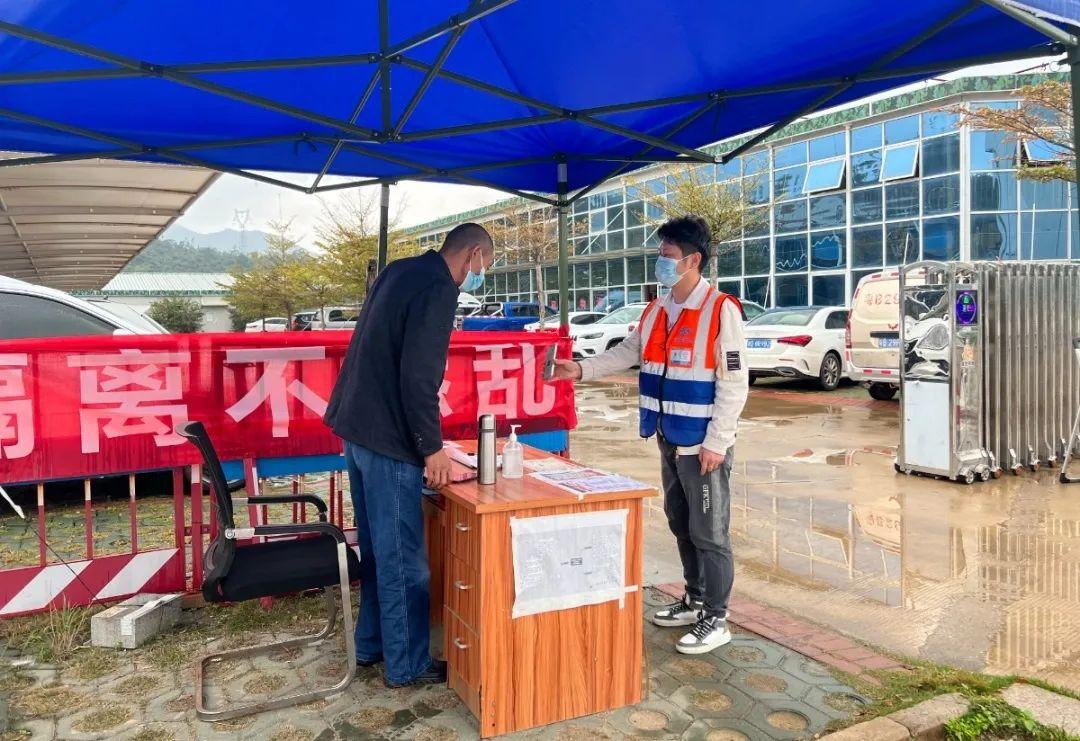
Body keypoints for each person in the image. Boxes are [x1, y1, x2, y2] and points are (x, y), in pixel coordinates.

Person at [551, 215, 748, 655]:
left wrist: (718, 441)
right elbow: (628, 352)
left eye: (667, 254)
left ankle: (717, 618)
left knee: (710, 532)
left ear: (693, 260)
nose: (660, 261)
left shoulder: (720, 309)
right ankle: (695, 600)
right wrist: (579, 369)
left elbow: (735, 382)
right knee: (680, 522)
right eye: (660, 253)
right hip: (667, 435)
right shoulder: (658, 309)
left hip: (702, 443)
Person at [325, 223, 495, 686]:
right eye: (485, 264)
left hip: (357, 430)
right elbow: (418, 376)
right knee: (403, 560)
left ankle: (372, 644)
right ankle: (407, 665)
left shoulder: (399, 271)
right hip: (388, 440)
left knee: (379, 549)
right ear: (473, 254)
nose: (481, 273)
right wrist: (432, 448)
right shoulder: (438, 288)